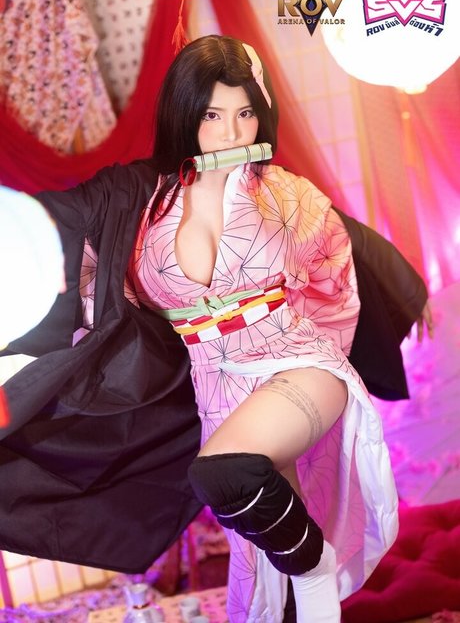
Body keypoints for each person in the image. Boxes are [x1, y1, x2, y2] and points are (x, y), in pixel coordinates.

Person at [0, 35, 432, 623]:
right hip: (215, 384)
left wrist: (337, 341)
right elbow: (74, 252)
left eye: (245, 113)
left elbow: (339, 265)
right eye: (211, 115)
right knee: (262, 569)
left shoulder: (285, 193)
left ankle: (317, 569)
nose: (232, 133)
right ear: (184, 114)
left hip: (296, 361)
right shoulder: (139, 202)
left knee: (225, 469)